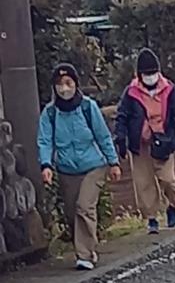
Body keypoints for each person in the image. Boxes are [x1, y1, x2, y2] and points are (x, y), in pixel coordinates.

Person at [37, 63, 122, 270]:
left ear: (76, 84)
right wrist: (46, 165)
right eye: (59, 84)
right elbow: (45, 141)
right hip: (67, 169)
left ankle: (84, 255)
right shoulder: (50, 113)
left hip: (94, 165)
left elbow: (103, 136)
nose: (64, 88)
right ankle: (88, 247)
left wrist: (113, 162)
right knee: (71, 213)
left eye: (68, 83)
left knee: (84, 206)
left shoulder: (88, 107)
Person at [115, 48, 175, 234]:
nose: (150, 76)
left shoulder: (169, 89)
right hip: (140, 145)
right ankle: (152, 218)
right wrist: (121, 139)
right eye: (146, 73)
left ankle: (172, 205)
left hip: (164, 141)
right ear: (139, 74)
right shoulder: (131, 92)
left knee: (169, 180)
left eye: (153, 72)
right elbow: (122, 116)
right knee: (144, 183)